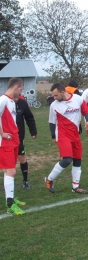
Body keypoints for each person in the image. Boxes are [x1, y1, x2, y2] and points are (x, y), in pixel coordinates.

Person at [45, 83, 88, 194]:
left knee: (77, 160)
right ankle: (49, 179)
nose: (54, 98)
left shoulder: (77, 99)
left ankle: (75, 187)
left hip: (75, 135)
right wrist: (53, 136)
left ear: (63, 92)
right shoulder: (54, 105)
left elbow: (86, 111)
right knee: (67, 160)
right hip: (62, 135)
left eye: (56, 95)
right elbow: (51, 122)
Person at [0, 77, 26, 215]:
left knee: (9, 171)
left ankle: (10, 198)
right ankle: (10, 204)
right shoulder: (3, 100)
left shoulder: (10, 101)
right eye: (21, 89)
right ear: (16, 87)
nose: (21, 92)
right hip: (6, 142)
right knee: (11, 171)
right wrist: (2, 133)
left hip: (13, 140)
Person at [13, 95, 37, 189]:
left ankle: (25, 181)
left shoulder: (22, 103)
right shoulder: (4, 102)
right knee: (7, 160)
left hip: (19, 137)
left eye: (17, 97)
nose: (16, 99)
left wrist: (33, 131)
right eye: (14, 97)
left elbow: (29, 118)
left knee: (22, 157)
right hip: (5, 137)